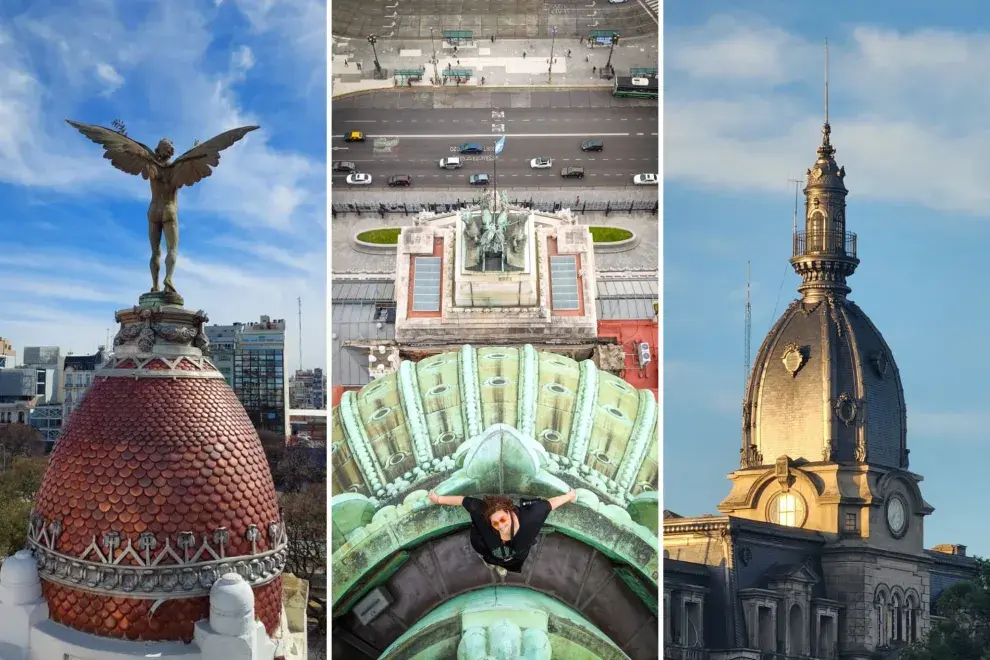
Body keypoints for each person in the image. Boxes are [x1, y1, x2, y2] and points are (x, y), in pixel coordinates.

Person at [428, 489, 577, 576]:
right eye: (495, 523)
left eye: (503, 520)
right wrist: (438, 499)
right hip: (489, 549)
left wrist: (570, 496)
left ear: (509, 511)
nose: (501, 526)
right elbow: (463, 501)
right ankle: (494, 564)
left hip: (516, 554)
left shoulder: (530, 517)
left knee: (511, 562)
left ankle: (502, 565)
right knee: (491, 558)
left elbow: (549, 504)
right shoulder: (482, 512)